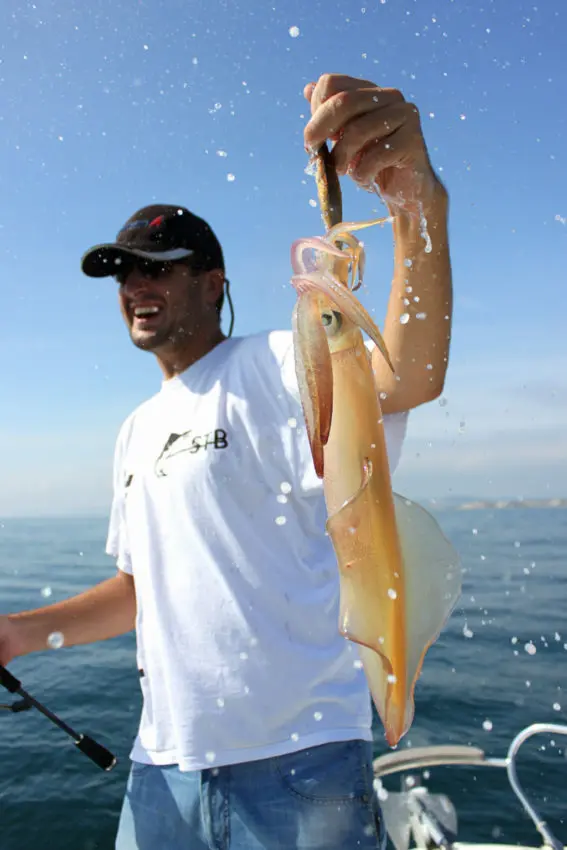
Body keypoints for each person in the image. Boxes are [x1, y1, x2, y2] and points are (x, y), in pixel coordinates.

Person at [0, 74, 452, 850]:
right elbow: (142, 591)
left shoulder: (281, 362)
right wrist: (14, 634)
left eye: (159, 266)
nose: (136, 285)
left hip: (302, 765)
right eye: (124, 273)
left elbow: (407, 374)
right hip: (159, 772)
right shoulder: (137, 429)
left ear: (213, 284)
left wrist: (416, 208)